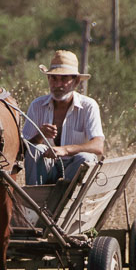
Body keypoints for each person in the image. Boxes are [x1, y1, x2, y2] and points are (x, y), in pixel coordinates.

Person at [22, 50, 104, 185]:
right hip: (48, 170)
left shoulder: (88, 106)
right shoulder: (37, 106)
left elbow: (98, 146)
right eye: (54, 78)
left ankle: (70, 199)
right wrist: (40, 135)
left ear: (76, 81)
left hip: (74, 168)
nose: (58, 85)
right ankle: (34, 199)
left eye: (64, 79)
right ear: (48, 79)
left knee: (86, 157)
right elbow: (23, 149)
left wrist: (65, 150)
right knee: (36, 149)